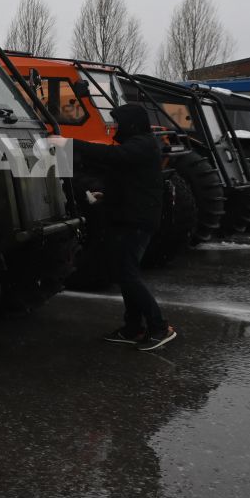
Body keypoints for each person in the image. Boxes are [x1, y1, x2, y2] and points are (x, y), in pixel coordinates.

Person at [73, 103, 177, 351]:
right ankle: (133, 328)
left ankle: (159, 327)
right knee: (124, 272)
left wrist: (70, 143)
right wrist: (105, 195)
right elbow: (128, 180)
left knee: (127, 274)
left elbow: (113, 157)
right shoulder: (139, 145)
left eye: (118, 123)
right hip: (127, 218)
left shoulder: (142, 144)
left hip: (136, 222)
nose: (115, 128)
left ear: (131, 124)